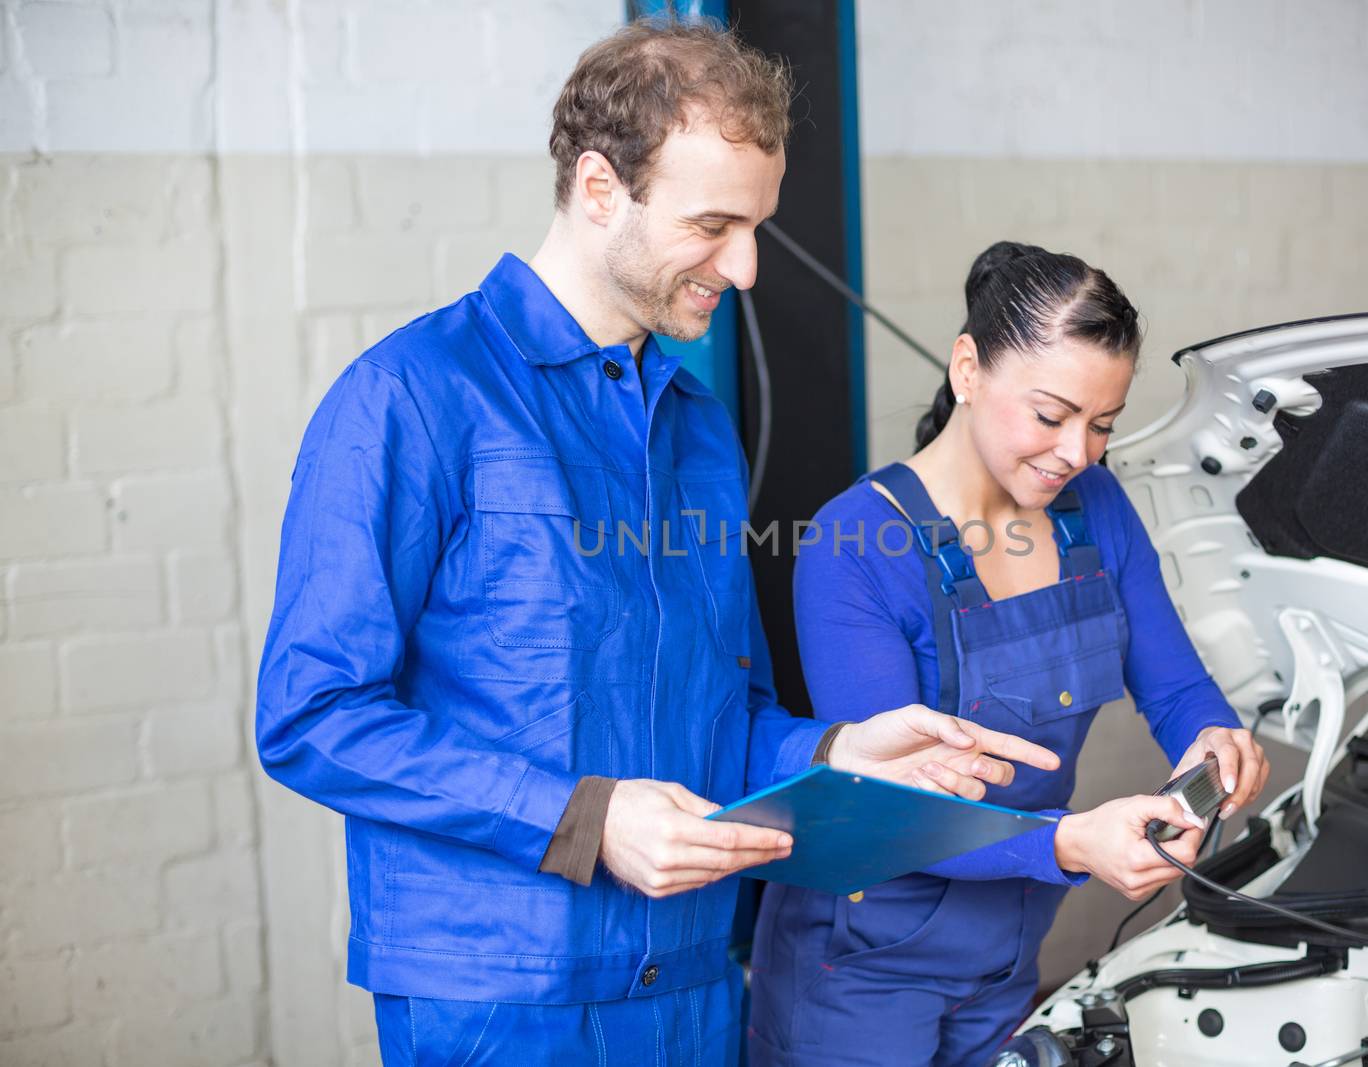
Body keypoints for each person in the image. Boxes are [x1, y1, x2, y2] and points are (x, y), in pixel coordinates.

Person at [254, 23, 1058, 1066]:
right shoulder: (409, 398)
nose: (748, 265)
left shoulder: (696, 429)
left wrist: (836, 751)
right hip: (500, 998)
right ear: (599, 186)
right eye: (714, 222)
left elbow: (724, 718)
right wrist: (585, 818)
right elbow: (313, 714)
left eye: (757, 224)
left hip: (688, 980)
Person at [747, 242, 1272, 1066]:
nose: (1079, 453)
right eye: (1052, 415)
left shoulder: (1093, 505)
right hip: (857, 974)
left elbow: (1176, 688)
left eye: (1104, 423)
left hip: (1008, 958)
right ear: (967, 368)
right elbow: (894, 809)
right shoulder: (855, 542)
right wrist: (1071, 842)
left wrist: (1213, 736)